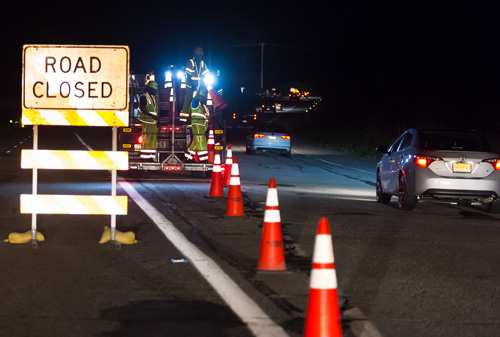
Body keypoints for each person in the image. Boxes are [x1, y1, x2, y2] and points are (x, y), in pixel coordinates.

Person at [181, 47, 210, 162]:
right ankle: (183, 119)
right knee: (188, 101)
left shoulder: (203, 63)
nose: (199, 56)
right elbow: (188, 75)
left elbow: (206, 74)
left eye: (201, 55)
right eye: (198, 54)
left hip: (199, 86)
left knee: (196, 142)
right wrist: (194, 87)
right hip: (190, 86)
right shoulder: (190, 62)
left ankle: (187, 158)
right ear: (195, 54)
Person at [138, 73, 158, 160]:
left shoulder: (152, 97)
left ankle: (151, 157)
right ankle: (144, 157)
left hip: (153, 122)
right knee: (147, 139)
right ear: (150, 89)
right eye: (154, 89)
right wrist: (151, 116)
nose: (155, 91)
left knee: (153, 139)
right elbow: (143, 109)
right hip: (146, 121)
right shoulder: (144, 97)